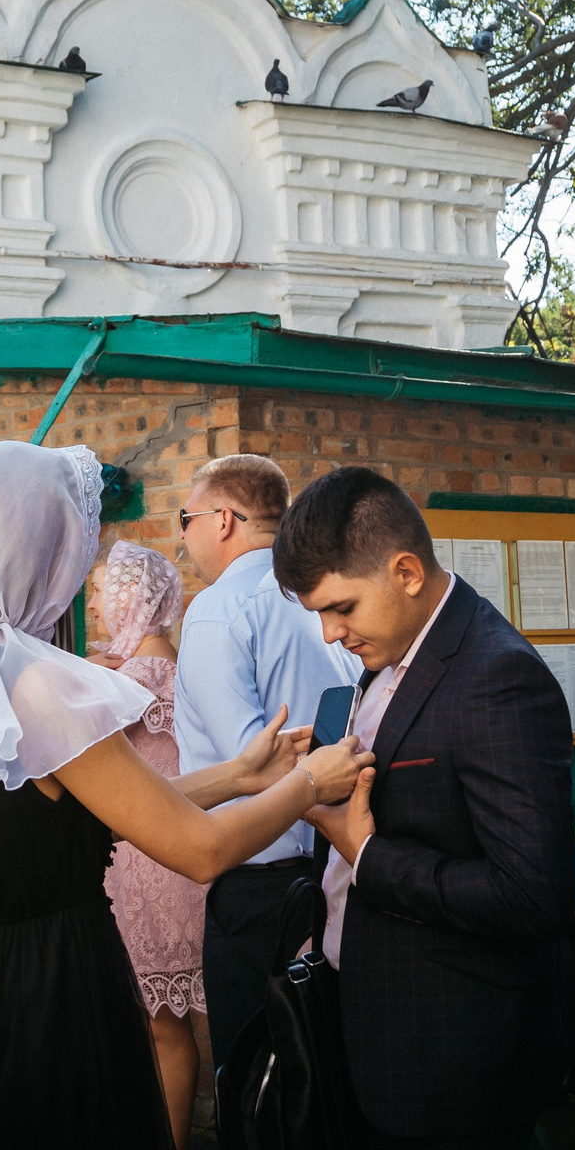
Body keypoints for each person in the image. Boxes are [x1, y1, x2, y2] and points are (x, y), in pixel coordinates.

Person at [0, 441, 369, 1150]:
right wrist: (309, 782)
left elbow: (102, 800)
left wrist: (243, 775)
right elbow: (198, 851)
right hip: (53, 988)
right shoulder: (39, 683)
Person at [277, 466, 575, 1150]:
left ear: (406, 570)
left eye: (341, 606)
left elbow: (534, 894)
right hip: (375, 1038)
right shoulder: (385, 661)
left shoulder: (497, 674)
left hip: (451, 1067)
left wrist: (369, 854)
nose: (330, 633)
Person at [173, 453, 360, 1065]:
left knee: (254, 1075)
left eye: (186, 517)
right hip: (337, 864)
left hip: (260, 886)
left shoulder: (218, 609)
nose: (184, 533)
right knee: (323, 1066)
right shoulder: (324, 596)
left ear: (223, 519)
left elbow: (248, 766)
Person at [84, 539, 204, 1150]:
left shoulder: (129, 679)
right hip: (166, 856)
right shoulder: (171, 667)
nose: (95, 603)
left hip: (145, 866)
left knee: (162, 1028)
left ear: (132, 596)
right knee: (166, 1022)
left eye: (103, 590)